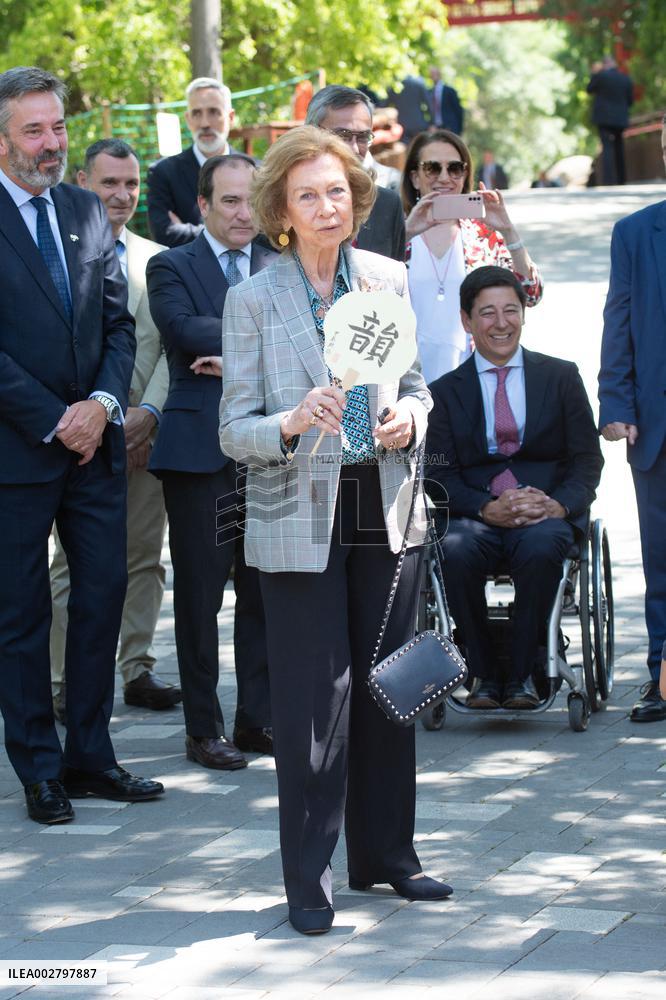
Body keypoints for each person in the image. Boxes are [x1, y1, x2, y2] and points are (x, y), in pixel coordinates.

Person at [219, 125, 450, 936]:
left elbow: (420, 386)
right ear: (282, 208)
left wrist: (406, 422)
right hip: (294, 515)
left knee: (391, 686)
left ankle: (388, 856)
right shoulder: (253, 297)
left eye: (339, 191)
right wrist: (288, 420)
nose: (328, 205)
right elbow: (231, 429)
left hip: (381, 504)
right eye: (309, 193)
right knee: (316, 703)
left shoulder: (387, 277)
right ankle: (309, 875)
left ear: (358, 200)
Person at [0, 65, 164, 824]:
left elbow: (119, 323)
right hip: (17, 452)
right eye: (34, 130)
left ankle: (91, 755)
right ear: (3, 140)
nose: (51, 143)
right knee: (23, 613)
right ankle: (39, 768)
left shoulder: (86, 210)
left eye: (58, 126)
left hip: (93, 449)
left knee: (101, 598)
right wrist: (53, 416)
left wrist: (100, 406)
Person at [147, 153, 276, 769]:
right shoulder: (170, 264)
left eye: (252, 199)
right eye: (229, 200)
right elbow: (182, 332)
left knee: (261, 591)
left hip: (270, 453)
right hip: (200, 457)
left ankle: (258, 719)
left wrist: (242, 356)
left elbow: (315, 332)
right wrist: (266, 341)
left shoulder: (284, 262)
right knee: (200, 596)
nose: (243, 212)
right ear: (202, 206)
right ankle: (204, 728)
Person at [426, 266, 603, 708]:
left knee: (544, 546)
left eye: (511, 310)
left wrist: (560, 506)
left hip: (545, 512)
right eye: (487, 313)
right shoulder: (443, 393)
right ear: (467, 321)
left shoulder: (561, 377)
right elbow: (437, 475)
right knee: (455, 549)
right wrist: (487, 508)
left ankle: (526, 673)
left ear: (524, 314)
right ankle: (482, 673)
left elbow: (586, 460)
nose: (501, 323)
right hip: (475, 514)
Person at [49, 138, 181, 721]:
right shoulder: (56, 246)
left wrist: (146, 417)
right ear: (82, 181)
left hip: (143, 431)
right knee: (68, 565)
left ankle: (138, 666)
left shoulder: (158, 258)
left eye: (131, 185)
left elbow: (165, 348)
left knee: (145, 557)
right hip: (75, 433)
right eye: (109, 183)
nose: (122, 195)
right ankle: (58, 679)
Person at [598, 114, 666, 722]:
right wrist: (616, 403)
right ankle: (664, 678)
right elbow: (618, 318)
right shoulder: (636, 233)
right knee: (662, 558)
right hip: (659, 427)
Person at [402, 129, 543, 383]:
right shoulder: (396, 234)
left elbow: (531, 294)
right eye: (432, 168)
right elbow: (363, 295)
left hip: (472, 379)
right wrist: (405, 233)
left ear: (465, 174)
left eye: (454, 168)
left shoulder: (483, 234)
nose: (444, 177)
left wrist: (508, 230)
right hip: (405, 384)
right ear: (414, 177)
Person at [305, 85, 405, 260]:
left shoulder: (387, 205)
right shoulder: (286, 201)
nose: (353, 148)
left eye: (362, 137)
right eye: (343, 135)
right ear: (312, 133)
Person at [147, 77, 236, 247]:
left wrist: (189, 231)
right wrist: (237, 233)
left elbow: (267, 233)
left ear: (231, 117)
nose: (204, 123)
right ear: (188, 119)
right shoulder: (164, 173)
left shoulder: (256, 171)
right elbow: (165, 235)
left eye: (214, 112)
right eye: (197, 113)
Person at [586, 56, 634, 186]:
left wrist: (595, 73)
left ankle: (608, 180)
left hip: (604, 118)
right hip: (620, 119)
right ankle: (621, 179)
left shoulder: (600, 76)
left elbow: (589, 89)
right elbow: (630, 101)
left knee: (607, 147)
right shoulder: (625, 79)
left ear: (605, 64)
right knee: (619, 146)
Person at [385, 74, 431, 142]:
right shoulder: (419, 84)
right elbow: (428, 104)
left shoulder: (395, 86)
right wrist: (431, 122)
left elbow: (386, 106)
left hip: (401, 124)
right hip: (418, 123)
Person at [428, 67, 464, 135]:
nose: (432, 76)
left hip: (450, 127)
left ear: (439, 75)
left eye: (434, 74)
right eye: (431, 74)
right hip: (435, 127)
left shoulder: (450, 91)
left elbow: (459, 110)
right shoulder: (429, 92)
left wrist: (459, 129)